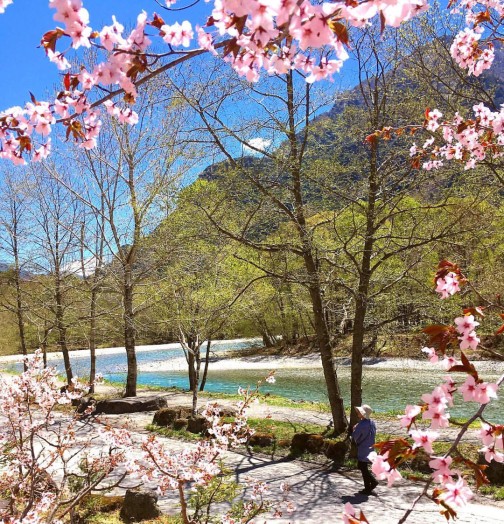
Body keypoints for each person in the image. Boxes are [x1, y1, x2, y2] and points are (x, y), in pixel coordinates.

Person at [352, 404, 378, 494]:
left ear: (363, 414)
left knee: (362, 467)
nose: (358, 413)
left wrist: (354, 429)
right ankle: (368, 487)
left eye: (359, 412)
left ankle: (372, 483)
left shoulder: (361, 424)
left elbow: (355, 436)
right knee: (363, 467)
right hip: (371, 448)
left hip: (363, 448)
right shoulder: (372, 423)